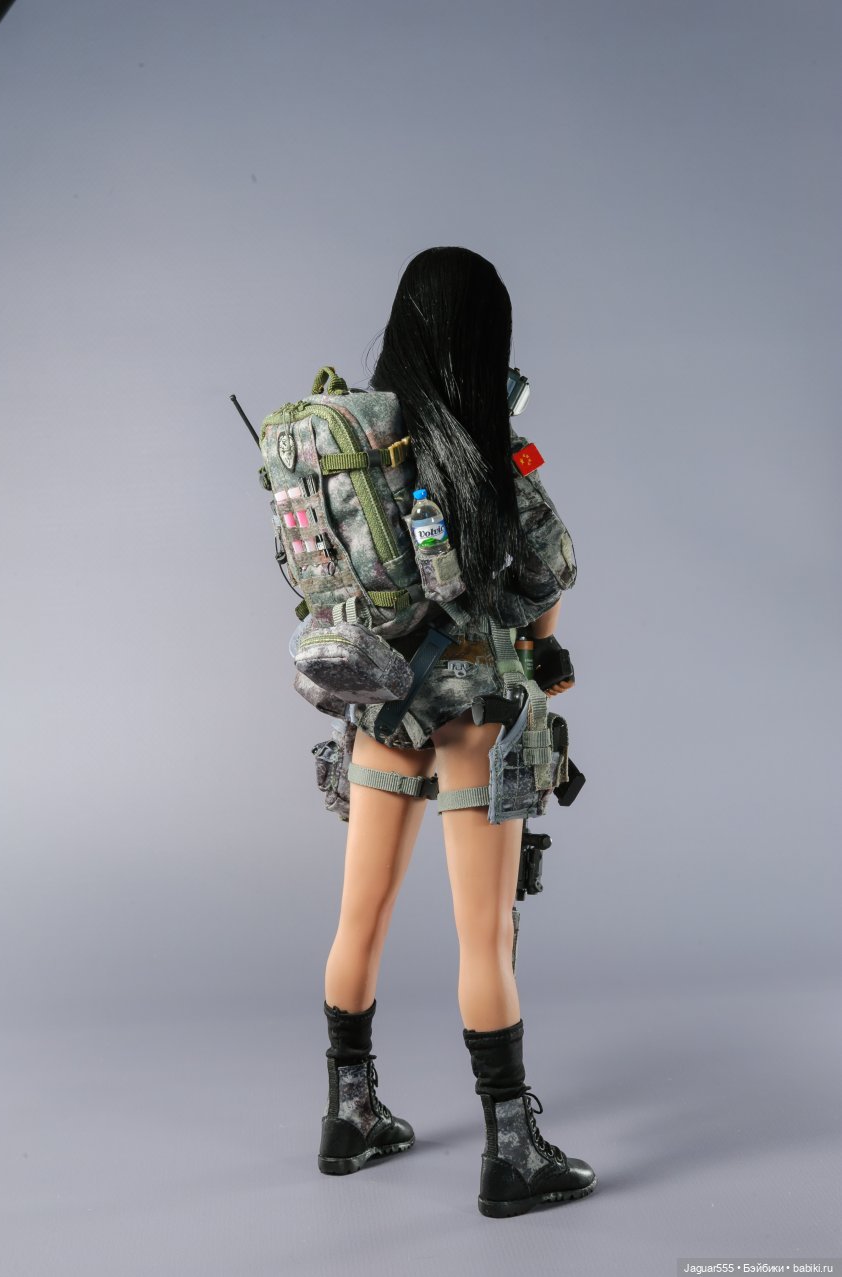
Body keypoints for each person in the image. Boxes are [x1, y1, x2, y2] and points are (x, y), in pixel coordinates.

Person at [317, 246, 597, 1218]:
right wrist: (539, 642)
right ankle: (510, 1153)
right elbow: (551, 570)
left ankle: (349, 1114)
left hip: (381, 708)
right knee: (485, 939)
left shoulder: (362, 449)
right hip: (476, 713)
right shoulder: (488, 448)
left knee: (359, 919)